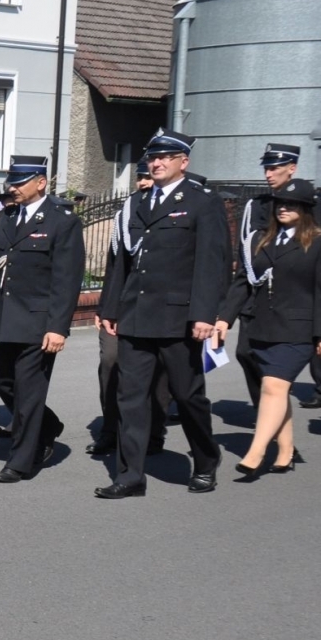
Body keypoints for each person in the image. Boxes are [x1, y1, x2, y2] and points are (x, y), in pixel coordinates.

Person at [95, 129, 230, 499]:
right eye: (153, 157)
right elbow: (122, 260)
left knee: (188, 397)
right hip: (137, 316)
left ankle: (206, 460)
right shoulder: (137, 204)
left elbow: (211, 263)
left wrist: (205, 314)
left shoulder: (202, 202)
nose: (156, 163)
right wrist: (110, 307)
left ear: (183, 162)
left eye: (165, 158)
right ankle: (130, 475)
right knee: (131, 397)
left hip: (179, 320)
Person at [0, 155, 83, 482]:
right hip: (4, 318)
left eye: (19, 182)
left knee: (29, 393)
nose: (12, 188)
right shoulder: (5, 218)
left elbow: (66, 280)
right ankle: (48, 425)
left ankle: (21, 460)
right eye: (10, 182)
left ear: (40, 183)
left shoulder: (62, 222)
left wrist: (58, 328)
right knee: (1, 382)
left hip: (37, 323)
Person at [216, 178, 321, 478]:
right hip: (262, 328)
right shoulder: (260, 240)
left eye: (291, 204)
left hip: (299, 331)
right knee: (276, 392)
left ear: (306, 209)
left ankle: (256, 451)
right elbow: (243, 282)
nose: (283, 208)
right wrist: (224, 319)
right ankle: (285, 452)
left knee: (273, 387)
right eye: (279, 203)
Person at [235, 143, 321, 409]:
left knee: (313, 344)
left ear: (292, 169)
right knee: (245, 352)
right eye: (266, 168)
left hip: (297, 290)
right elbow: (245, 245)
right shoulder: (258, 204)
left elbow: (319, 247)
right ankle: (266, 404)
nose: (268, 174)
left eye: (275, 168)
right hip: (259, 290)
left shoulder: (311, 203)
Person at [88, 161, 170, 458]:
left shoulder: (181, 206)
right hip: (122, 304)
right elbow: (115, 264)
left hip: (160, 307)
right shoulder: (128, 210)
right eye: (140, 177)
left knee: (159, 370)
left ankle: (154, 432)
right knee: (110, 361)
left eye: (149, 177)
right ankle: (110, 430)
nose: (144, 182)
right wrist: (106, 307)